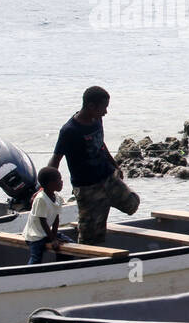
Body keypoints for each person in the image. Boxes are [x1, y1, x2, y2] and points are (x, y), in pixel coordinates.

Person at [46, 86, 140, 245]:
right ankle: (86, 255)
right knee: (90, 238)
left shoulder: (97, 119)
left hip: (108, 177)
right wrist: (45, 189)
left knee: (133, 204)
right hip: (88, 189)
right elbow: (55, 160)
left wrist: (115, 164)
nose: (106, 112)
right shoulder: (69, 131)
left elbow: (100, 143)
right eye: (104, 108)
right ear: (91, 106)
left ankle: (103, 206)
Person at [23, 166, 65, 264]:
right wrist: (53, 239)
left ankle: (61, 266)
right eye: (59, 180)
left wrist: (54, 236)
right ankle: (29, 274)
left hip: (47, 234)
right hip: (35, 236)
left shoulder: (57, 198)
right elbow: (43, 222)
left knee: (69, 244)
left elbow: (56, 219)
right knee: (36, 257)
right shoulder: (41, 199)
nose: (62, 182)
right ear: (50, 184)